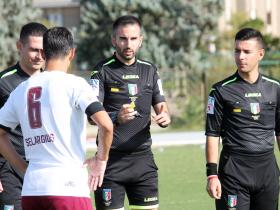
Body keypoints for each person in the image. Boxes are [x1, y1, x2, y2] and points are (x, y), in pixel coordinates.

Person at [0, 27, 113, 210]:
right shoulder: (75, 84)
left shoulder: (21, 89)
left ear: (43, 53)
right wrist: (100, 161)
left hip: (32, 189)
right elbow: (106, 125)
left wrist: (23, 169)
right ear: (72, 53)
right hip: (68, 187)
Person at [90, 15, 171, 210]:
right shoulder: (101, 71)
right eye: (123, 38)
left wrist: (165, 117)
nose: (128, 44)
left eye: (133, 39)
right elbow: (91, 118)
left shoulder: (150, 70)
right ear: (114, 40)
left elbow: (161, 106)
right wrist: (115, 118)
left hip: (143, 161)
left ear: (140, 40)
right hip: (110, 161)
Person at [205, 28, 280, 210]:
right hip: (234, 172)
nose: (241, 57)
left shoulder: (275, 88)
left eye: (247, 51)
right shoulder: (220, 91)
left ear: (260, 54)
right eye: (237, 51)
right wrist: (212, 175)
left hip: (267, 172)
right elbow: (212, 135)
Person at [0, 22, 47, 210]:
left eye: (44, 50)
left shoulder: (52, 82)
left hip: (43, 168)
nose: (39, 56)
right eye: (34, 50)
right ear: (20, 46)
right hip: (9, 169)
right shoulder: (3, 81)